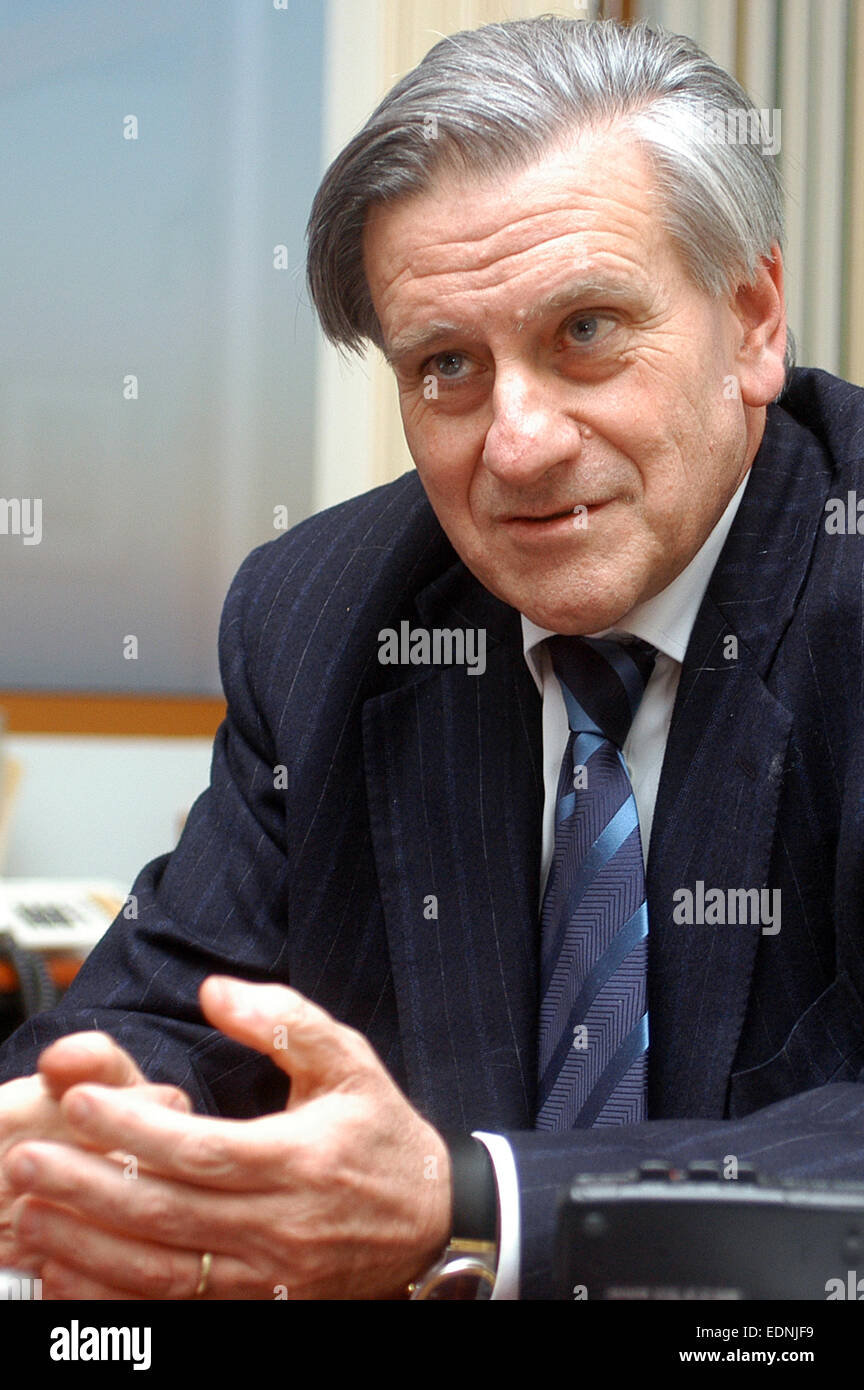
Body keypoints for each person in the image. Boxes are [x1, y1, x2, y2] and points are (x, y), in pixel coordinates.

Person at [2, 15, 864, 1301]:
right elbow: (166, 1008)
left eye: (585, 331)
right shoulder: (325, 613)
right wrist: (84, 1137)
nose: (515, 445)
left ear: (750, 323)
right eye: (448, 365)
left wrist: (474, 1204)